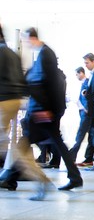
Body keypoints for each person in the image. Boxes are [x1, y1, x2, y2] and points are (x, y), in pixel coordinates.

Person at [2, 27, 83, 197]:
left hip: (44, 111)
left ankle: (11, 177)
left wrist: (46, 108)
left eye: (25, 40)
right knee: (45, 143)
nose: (25, 44)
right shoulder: (43, 54)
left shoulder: (46, 54)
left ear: (31, 38)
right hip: (43, 109)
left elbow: (49, 84)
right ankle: (74, 176)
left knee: (24, 144)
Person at [73, 53, 94, 167]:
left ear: (93, 61)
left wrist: (88, 106)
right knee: (91, 136)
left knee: (88, 135)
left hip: (92, 112)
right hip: (90, 111)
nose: (85, 65)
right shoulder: (92, 75)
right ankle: (89, 159)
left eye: (87, 63)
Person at [67, 66, 94, 165]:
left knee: (80, 135)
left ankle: (73, 155)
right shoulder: (83, 83)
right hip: (84, 113)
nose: (76, 76)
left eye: (77, 74)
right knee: (88, 135)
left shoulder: (86, 82)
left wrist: (86, 108)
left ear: (81, 73)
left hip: (86, 113)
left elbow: (87, 96)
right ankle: (88, 157)